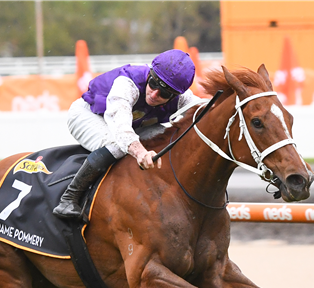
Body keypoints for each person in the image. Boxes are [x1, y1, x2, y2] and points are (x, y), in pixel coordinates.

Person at [53, 49, 202, 219]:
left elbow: (206, 112)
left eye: (165, 93)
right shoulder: (127, 83)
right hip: (88, 114)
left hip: (131, 124)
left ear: (176, 94)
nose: (154, 94)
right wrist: (140, 153)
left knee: (166, 137)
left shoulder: (183, 98)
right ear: (149, 75)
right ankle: (69, 198)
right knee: (118, 146)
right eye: (153, 84)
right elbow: (122, 130)